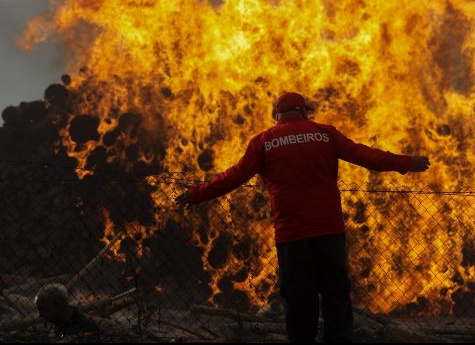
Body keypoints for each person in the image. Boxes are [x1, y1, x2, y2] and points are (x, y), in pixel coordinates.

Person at [176, 92, 430, 343]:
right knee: (336, 297)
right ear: (304, 111)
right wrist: (407, 162)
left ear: (277, 115)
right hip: (329, 232)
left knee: (299, 301)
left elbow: (234, 176)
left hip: (292, 235)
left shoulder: (263, 141)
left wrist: (197, 194)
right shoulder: (325, 134)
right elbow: (367, 156)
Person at [34, 283, 101, 340]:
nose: (40, 314)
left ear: (58, 304)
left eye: (44, 309)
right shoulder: (57, 323)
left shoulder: (83, 327)